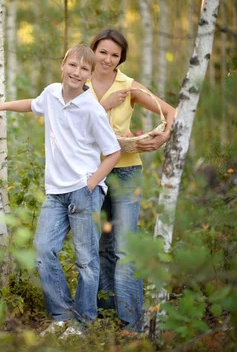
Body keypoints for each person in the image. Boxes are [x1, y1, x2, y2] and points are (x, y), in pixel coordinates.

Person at [0, 45, 122, 338]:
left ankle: (83, 323)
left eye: (84, 69)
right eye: (73, 65)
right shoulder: (51, 94)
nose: (77, 72)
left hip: (83, 191)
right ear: (63, 65)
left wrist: (90, 184)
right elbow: (32, 104)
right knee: (43, 250)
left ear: (89, 75)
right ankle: (61, 316)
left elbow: (112, 153)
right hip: (55, 192)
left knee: (85, 260)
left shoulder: (92, 108)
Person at [88, 29, 176, 331]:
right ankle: (106, 312)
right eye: (103, 52)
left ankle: (132, 326)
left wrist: (161, 138)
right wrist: (105, 103)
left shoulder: (128, 86)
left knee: (125, 247)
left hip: (126, 172)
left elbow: (171, 111)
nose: (108, 59)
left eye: (115, 55)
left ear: (121, 58)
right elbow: (69, 120)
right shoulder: (79, 80)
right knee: (101, 246)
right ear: (93, 51)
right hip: (90, 174)